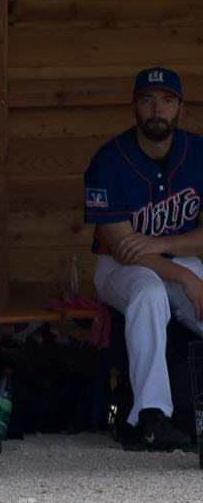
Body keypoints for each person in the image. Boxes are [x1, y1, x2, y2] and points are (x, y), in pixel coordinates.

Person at [84, 67, 203, 451]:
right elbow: (123, 248)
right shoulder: (109, 160)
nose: (157, 109)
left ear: (181, 108)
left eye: (167, 101)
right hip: (118, 268)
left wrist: (160, 243)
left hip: (173, 257)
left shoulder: (198, 153)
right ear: (135, 106)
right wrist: (185, 276)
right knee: (149, 293)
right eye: (148, 100)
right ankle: (152, 416)